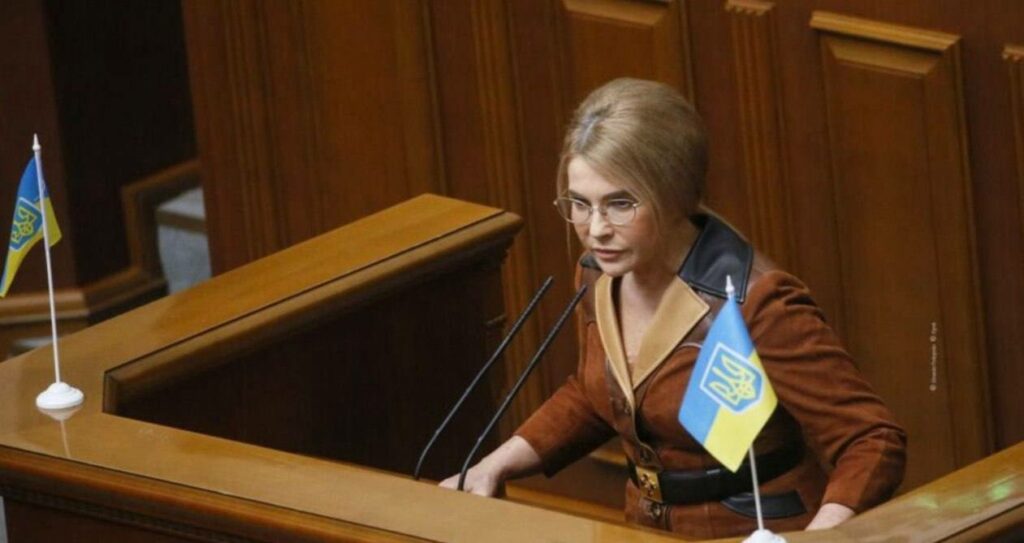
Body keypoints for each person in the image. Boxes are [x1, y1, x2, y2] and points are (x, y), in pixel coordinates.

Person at [440, 78, 906, 539]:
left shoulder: (757, 303)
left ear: (676, 196)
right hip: (645, 528)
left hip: (755, 530)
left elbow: (871, 440)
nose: (595, 229)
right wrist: (493, 466)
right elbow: (596, 394)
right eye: (580, 204)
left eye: (620, 204)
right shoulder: (599, 274)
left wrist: (814, 538)